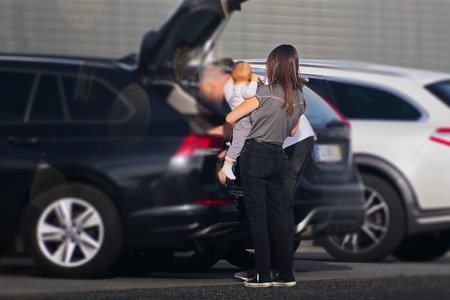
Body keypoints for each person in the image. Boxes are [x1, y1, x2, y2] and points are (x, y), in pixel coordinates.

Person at [224, 44, 305, 288]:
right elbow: (292, 131)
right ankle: (286, 274)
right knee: (278, 217)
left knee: (258, 218)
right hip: (279, 157)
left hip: (255, 156)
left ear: (275, 65)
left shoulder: (264, 93)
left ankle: (263, 275)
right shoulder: (300, 97)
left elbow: (231, 117)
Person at [219, 61, 259, 182]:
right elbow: (250, 93)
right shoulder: (242, 88)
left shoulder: (236, 87)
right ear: (248, 75)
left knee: (241, 143)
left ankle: (230, 164)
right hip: (243, 120)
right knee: (238, 143)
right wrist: (254, 81)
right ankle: (228, 165)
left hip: (242, 120)